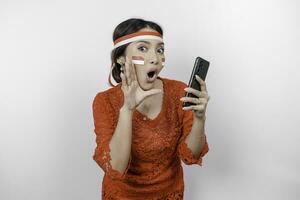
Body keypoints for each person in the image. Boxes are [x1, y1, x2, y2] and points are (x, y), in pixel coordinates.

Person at [92, 18, 210, 200]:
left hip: (169, 194)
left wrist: (200, 118)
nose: (155, 58)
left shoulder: (179, 91)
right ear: (121, 58)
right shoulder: (104, 101)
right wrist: (127, 109)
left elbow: (190, 155)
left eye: (160, 50)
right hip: (122, 196)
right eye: (142, 48)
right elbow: (115, 167)